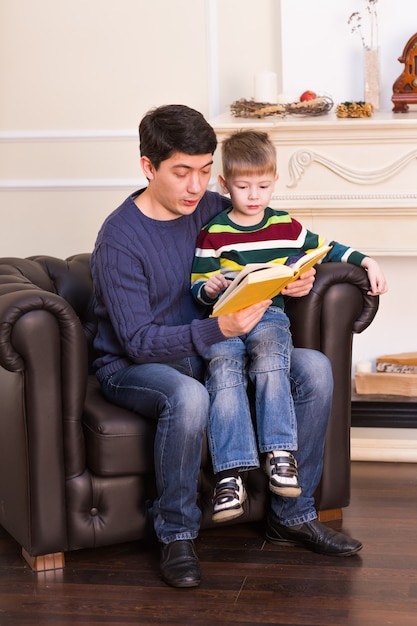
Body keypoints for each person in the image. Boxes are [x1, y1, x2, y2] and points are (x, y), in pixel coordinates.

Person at [90, 104, 376, 590]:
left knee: (315, 369)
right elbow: (137, 342)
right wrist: (218, 331)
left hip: (209, 350)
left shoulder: (210, 209)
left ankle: (292, 514)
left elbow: (266, 241)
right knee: (187, 396)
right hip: (135, 363)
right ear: (147, 167)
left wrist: (295, 277)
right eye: (182, 172)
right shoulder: (119, 239)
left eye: (204, 172)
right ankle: (177, 532)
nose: (196, 187)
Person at [191, 129, 387, 525]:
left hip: (267, 316)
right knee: (224, 372)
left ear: (275, 181)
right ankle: (230, 476)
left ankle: (281, 455)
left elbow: (327, 248)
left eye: (263, 185)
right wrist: (209, 288)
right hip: (226, 324)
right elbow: (199, 284)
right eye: (243, 187)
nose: (253, 195)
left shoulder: (286, 226)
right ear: (225, 184)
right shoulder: (214, 233)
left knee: (270, 358)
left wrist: (367, 262)